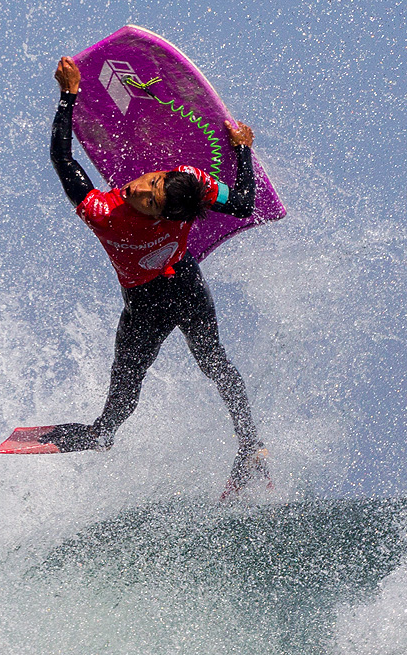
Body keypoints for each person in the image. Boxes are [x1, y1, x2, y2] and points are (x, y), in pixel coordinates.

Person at [43, 54, 269, 496]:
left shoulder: (105, 214)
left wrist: (69, 97)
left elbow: (62, 157)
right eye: (151, 182)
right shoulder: (191, 183)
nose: (139, 189)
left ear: (162, 212)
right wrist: (242, 149)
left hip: (156, 300)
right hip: (181, 286)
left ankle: (247, 446)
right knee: (142, 376)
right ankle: (248, 444)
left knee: (204, 363)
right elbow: (243, 203)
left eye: (148, 200)